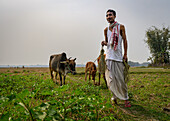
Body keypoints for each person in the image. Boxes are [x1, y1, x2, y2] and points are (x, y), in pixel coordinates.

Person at [101, 9, 131, 107]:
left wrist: (125, 54)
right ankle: (114, 98)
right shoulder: (105, 30)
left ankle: (126, 99)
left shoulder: (120, 27)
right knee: (111, 80)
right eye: (107, 15)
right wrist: (103, 43)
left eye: (110, 15)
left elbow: (125, 41)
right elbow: (107, 42)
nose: (108, 17)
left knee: (120, 79)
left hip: (118, 57)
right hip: (109, 57)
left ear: (114, 16)